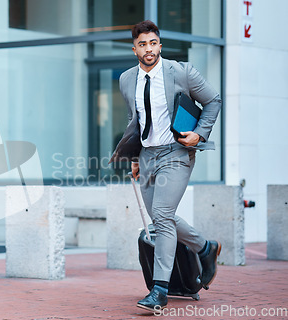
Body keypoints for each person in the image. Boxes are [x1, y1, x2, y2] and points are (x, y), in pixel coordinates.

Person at [113, 20, 222, 311]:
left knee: (161, 216)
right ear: (134, 49)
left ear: (159, 45)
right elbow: (134, 121)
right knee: (161, 218)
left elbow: (213, 100)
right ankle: (205, 247)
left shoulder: (182, 72)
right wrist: (135, 158)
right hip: (148, 156)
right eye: (142, 44)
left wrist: (200, 133)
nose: (148, 49)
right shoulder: (126, 79)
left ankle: (159, 289)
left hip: (176, 153)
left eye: (153, 43)